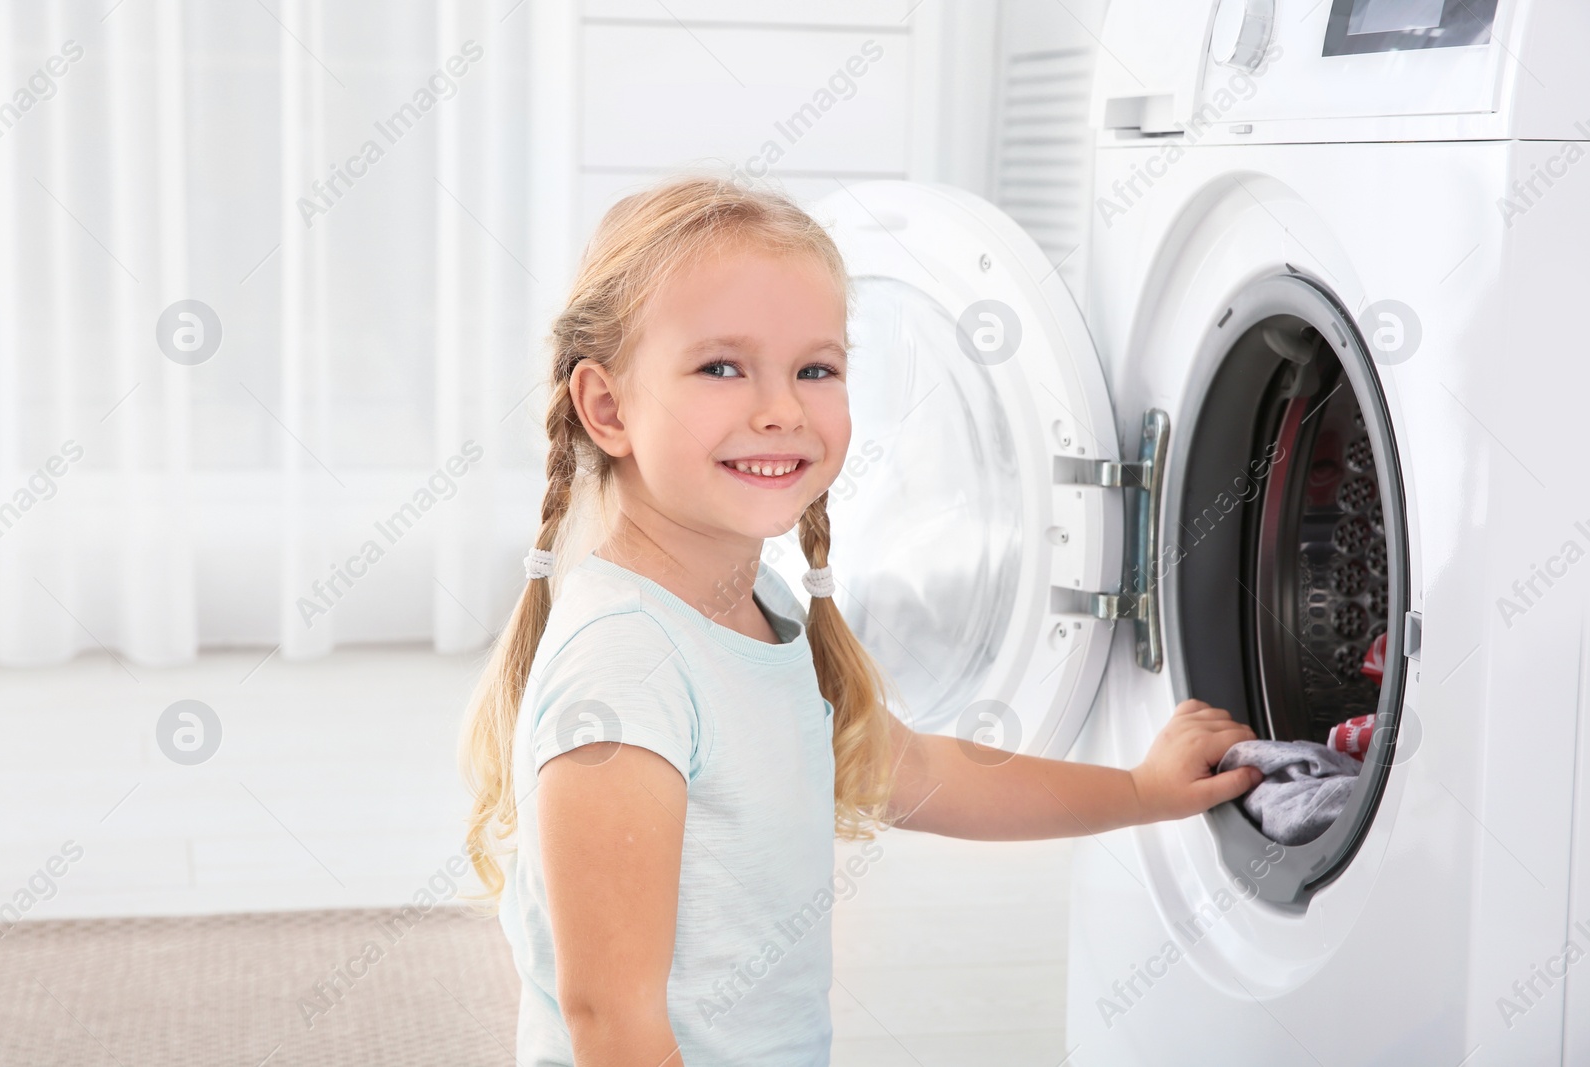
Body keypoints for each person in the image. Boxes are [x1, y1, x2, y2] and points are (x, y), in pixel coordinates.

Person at [458, 176, 1264, 1066]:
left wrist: (1142, 791)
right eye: (721, 367)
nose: (782, 408)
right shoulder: (623, 668)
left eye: (817, 368)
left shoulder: (758, 610)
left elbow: (917, 770)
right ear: (607, 407)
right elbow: (612, 1021)